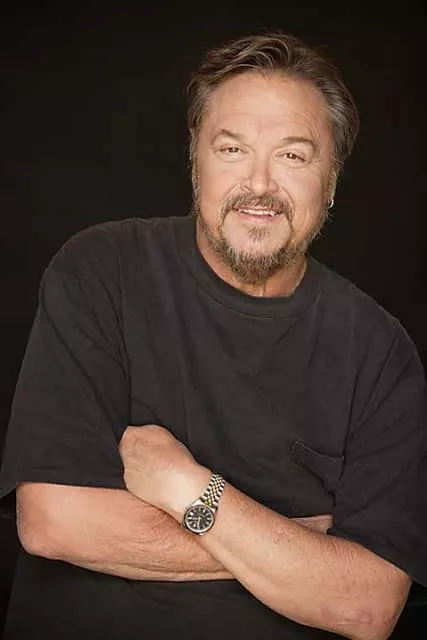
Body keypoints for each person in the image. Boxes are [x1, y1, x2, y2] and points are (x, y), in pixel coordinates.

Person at [0, 32, 426, 640]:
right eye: (232, 149)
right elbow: (53, 521)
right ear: (195, 160)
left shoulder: (380, 352)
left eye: (293, 156)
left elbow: (368, 603)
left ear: (331, 180)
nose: (260, 184)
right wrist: (303, 545)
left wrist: (188, 486)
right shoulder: (101, 270)